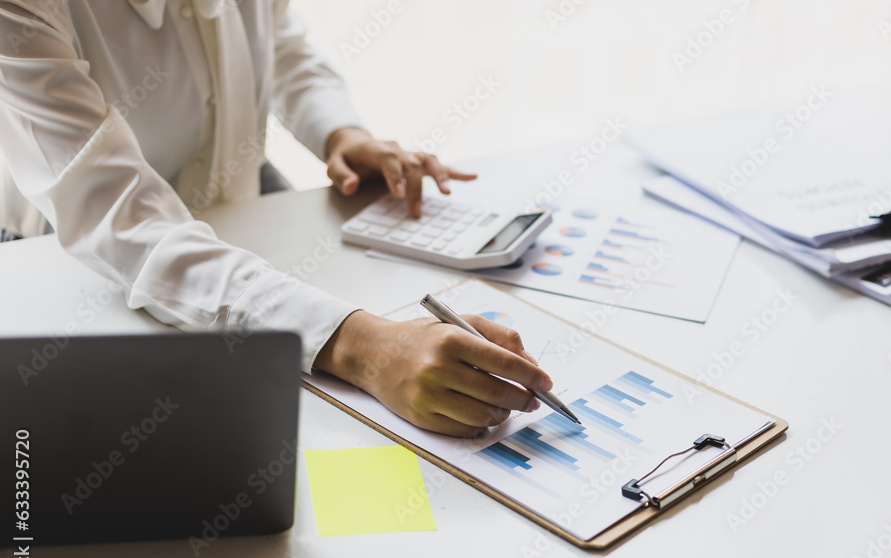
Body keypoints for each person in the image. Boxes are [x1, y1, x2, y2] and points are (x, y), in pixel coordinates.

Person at [0, 0, 549, 437]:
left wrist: (341, 132)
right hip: (65, 249)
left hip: (240, 205)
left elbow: (282, 45)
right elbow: (126, 222)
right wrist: (364, 346)